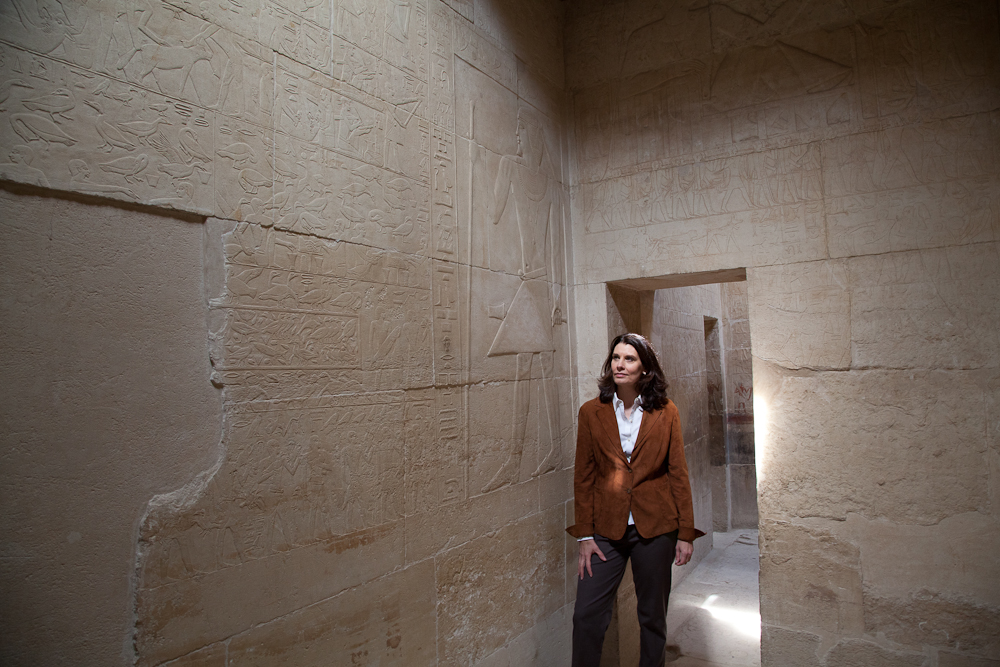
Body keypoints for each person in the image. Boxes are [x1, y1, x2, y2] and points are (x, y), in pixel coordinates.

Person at [567, 333, 705, 667]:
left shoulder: (666, 411)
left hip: (656, 528)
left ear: (645, 368)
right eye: (616, 357)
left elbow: (678, 472)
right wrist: (585, 534)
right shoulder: (591, 412)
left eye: (629, 359)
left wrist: (685, 532)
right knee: (586, 616)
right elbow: (584, 476)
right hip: (604, 530)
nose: (620, 364)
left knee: (652, 618)